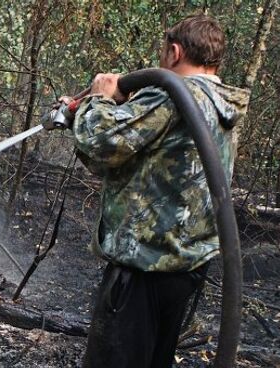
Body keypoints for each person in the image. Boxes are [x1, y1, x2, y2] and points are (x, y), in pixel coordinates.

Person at [61, 15, 251, 367]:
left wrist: (99, 98)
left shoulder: (171, 95)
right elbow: (119, 158)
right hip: (185, 266)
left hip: (144, 269)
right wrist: (91, 113)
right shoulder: (220, 103)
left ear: (174, 52)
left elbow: (101, 142)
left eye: (164, 51)